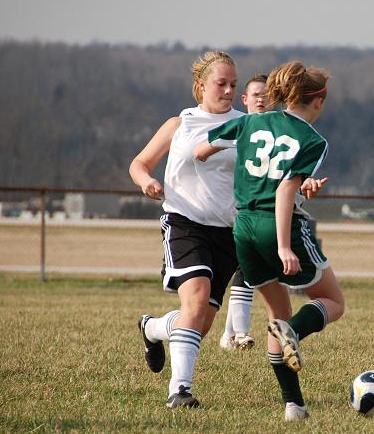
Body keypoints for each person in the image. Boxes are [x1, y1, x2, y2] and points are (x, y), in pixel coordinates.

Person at [129, 53, 324, 409]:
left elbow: (276, 170)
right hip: (184, 223)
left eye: (234, 85)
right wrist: (146, 181)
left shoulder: (249, 123)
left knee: (199, 323)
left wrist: (305, 182)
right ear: (202, 85)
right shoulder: (180, 125)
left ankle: (152, 329)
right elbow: (139, 163)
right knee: (197, 299)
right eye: (222, 83)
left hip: (230, 232)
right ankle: (180, 391)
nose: (230, 90)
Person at [195, 61, 344, 421]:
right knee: (332, 301)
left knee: (278, 312)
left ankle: (294, 405)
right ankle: (293, 332)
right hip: (278, 227)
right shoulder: (313, 140)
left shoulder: (250, 121)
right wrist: (283, 246)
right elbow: (283, 191)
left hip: (242, 227)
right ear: (318, 101)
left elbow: (201, 150)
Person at [219, 74, 268, 351]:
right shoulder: (236, 128)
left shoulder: (277, 132)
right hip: (222, 211)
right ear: (245, 99)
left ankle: (236, 334)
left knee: (246, 269)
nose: (261, 98)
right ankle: (234, 334)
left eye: (266, 94)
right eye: (256, 94)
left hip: (254, 214)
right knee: (242, 271)